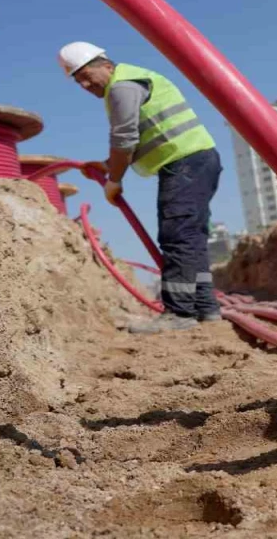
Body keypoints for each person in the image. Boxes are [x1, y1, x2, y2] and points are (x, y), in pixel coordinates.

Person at [58, 42, 223, 333]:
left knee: (178, 236)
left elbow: (124, 140)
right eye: (77, 80)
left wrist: (114, 180)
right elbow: (139, 139)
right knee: (190, 237)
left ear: (105, 65)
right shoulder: (129, 81)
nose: (84, 84)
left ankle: (179, 314)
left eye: (86, 74)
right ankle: (205, 309)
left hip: (184, 163)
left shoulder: (122, 87)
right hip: (196, 161)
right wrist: (108, 166)